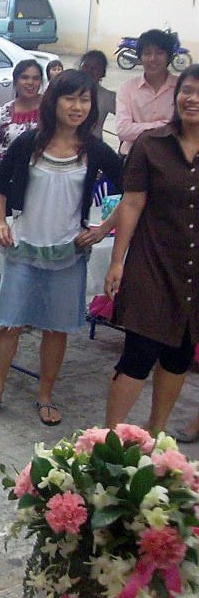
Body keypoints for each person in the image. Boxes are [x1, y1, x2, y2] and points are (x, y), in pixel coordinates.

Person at [0, 69, 121, 425]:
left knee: (56, 329)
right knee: (9, 324)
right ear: (53, 101)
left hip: (68, 253)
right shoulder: (30, 143)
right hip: (24, 247)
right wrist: (0, 222)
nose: (77, 107)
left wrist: (103, 228)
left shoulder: (95, 149)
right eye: (69, 98)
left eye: (84, 100)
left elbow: (132, 190)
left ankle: (45, 396)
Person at [103, 64, 199, 435]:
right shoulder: (152, 145)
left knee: (179, 353)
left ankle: (155, 435)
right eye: (187, 90)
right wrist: (117, 261)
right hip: (153, 262)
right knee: (139, 352)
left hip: (194, 271)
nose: (192, 99)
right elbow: (131, 204)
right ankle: (108, 437)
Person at [0, 59, 43, 206]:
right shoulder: (2, 113)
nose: (30, 82)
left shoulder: (51, 111)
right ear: (15, 81)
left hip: (40, 185)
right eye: (25, 77)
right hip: (6, 185)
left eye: (35, 78)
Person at [116, 28, 178, 155]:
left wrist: (138, 128)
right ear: (140, 57)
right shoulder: (127, 88)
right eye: (147, 53)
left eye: (159, 53)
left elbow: (185, 129)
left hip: (171, 158)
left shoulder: (181, 88)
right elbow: (123, 130)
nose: (152, 58)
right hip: (133, 156)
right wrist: (165, 126)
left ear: (169, 56)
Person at [79, 50, 116, 140]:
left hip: (94, 147)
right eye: (86, 66)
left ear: (103, 72)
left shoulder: (107, 96)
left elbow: (129, 117)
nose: (89, 71)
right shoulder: (66, 90)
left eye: (95, 67)